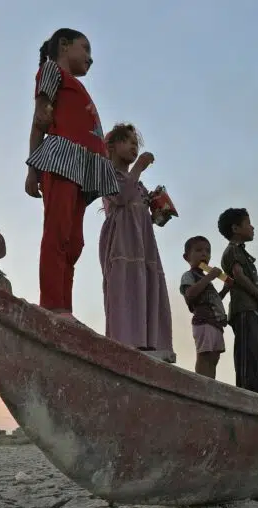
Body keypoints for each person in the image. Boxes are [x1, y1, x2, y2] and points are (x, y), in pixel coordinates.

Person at [25, 28, 118, 322]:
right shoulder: (52, 71)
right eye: (85, 48)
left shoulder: (77, 87)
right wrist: (32, 169)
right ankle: (51, 304)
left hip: (84, 167)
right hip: (63, 159)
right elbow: (40, 119)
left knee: (74, 241)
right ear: (64, 46)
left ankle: (65, 308)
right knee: (58, 231)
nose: (90, 58)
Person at [98, 123, 175, 362]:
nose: (134, 146)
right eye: (128, 141)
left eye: (136, 142)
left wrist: (158, 211)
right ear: (111, 146)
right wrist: (139, 167)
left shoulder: (138, 184)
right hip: (122, 243)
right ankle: (126, 343)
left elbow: (144, 214)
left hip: (143, 245)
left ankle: (152, 344)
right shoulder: (107, 173)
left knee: (146, 284)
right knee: (126, 286)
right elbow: (120, 196)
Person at [218, 208, 258, 395]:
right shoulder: (232, 251)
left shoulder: (241, 253)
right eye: (248, 223)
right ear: (235, 228)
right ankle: (244, 402)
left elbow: (243, 280)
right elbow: (239, 277)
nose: (252, 227)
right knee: (248, 363)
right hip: (243, 311)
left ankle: (257, 403)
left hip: (253, 311)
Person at [179, 236, 232, 378]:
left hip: (216, 323)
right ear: (186, 257)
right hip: (204, 322)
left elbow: (213, 301)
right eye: (198, 250)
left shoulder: (206, 281)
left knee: (214, 358)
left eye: (207, 251)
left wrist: (225, 290)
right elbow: (190, 294)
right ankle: (202, 383)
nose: (204, 254)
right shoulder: (189, 275)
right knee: (205, 355)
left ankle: (210, 384)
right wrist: (209, 277)